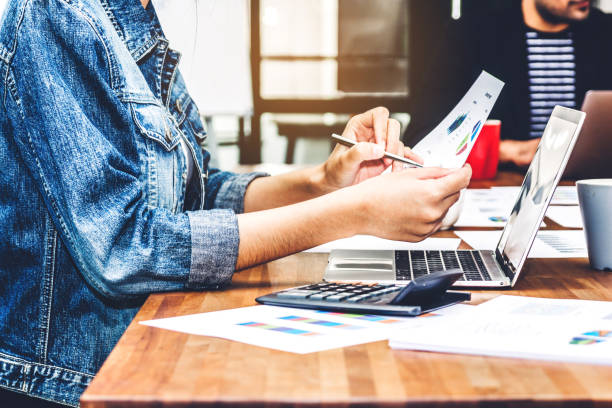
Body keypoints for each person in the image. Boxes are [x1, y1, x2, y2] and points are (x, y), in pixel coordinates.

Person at [0, 0, 471, 406]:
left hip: (143, 346)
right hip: (73, 384)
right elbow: (123, 250)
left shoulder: (134, 24)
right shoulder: (56, 15)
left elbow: (199, 193)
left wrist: (325, 181)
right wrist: (354, 214)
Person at [405, 0, 612, 168]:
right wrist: (511, 151)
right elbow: (421, 138)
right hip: (499, 188)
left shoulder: (604, 33)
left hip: (583, 191)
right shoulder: (475, 32)